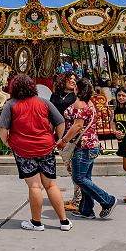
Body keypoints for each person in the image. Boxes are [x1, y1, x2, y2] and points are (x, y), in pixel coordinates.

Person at [0, 74, 70, 232]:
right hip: (46, 147)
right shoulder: (44, 102)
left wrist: (7, 142)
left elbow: (3, 129)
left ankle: (36, 223)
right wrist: (58, 139)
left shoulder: (11, 105)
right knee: (51, 184)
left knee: (35, 186)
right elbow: (60, 122)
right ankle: (64, 221)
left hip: (23, 150)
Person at [59, 78, 116, 220]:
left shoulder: (79, 103)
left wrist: (63, 140)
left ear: (77, 89)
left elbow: (77, 126)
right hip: (92, 145)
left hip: (83, 147)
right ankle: (86, 209)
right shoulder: (90, 103)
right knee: (86, 178)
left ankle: (108, 200)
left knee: (78, 178)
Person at [50, 73, 81, 211]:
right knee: (70, 167)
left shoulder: (75, 96)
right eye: (70, 79)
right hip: (60, 134)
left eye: (75, 80)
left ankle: (78, 199)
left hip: (72, 134)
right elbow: (51, 115)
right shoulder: (55, 96)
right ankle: (78, 196)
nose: (73, 81)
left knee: (75, 168)